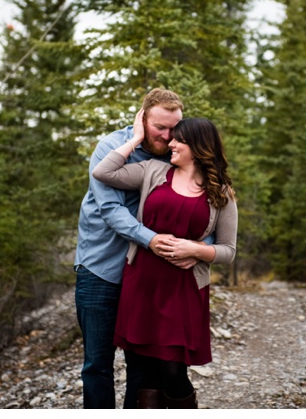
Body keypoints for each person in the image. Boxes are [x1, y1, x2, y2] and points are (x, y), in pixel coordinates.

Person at [92, 111, 237, 409]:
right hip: (142, 282)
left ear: (198, 147)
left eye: (179, 140)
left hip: (181, 290)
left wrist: (195, 250)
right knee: (143, 371)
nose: (170, 143)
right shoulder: (153, 171)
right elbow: (103, 172)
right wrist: (134, 139)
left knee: (173, 371)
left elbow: (228, 251)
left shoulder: (221, 193)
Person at [74, 88, 204, 409]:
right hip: (100, 270)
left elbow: (202, 204)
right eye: (159, 127)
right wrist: (151, 239)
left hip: (147, 277)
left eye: (174, 127)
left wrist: (199, 249)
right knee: (97, 365)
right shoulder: (111, 148)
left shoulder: (176, 156)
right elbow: (111, 210)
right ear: (141, 118)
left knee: (143, 367)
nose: (167, 135)